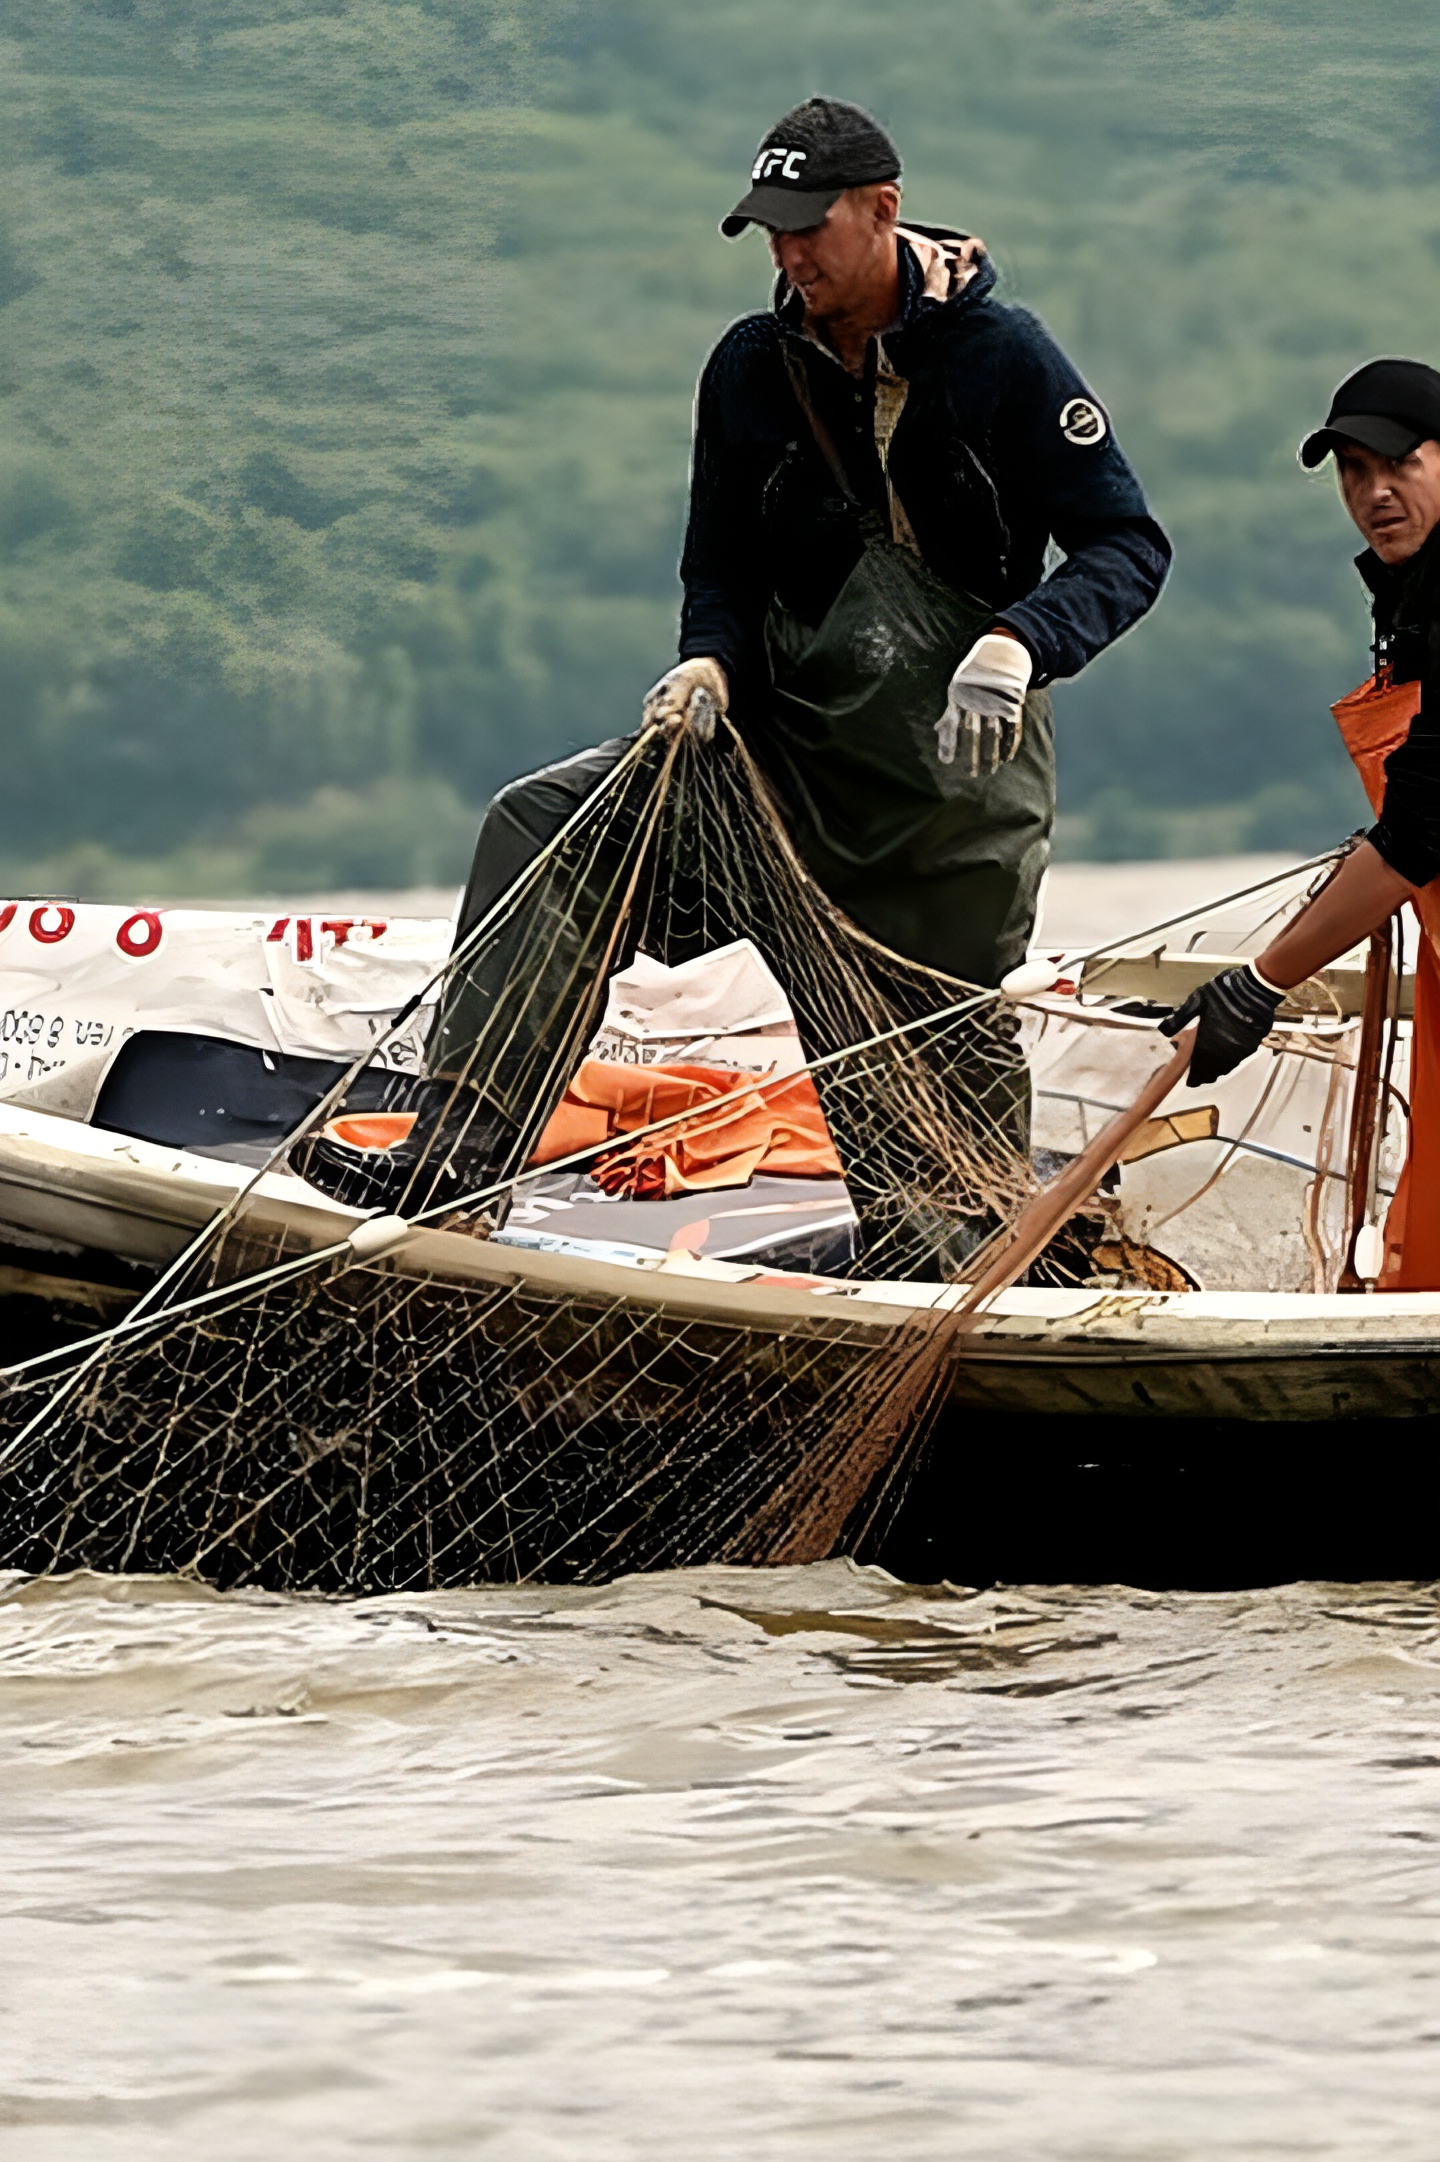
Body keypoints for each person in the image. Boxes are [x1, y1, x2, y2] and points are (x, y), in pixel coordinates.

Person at [446, 94, 1171, 1016]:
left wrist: (1020, 641)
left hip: (946, 807)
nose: (789, 254)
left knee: (918, 1133)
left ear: (882, 206)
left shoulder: (1004, 354)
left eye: (807, 226)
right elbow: (720, 571)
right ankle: (463, 1141)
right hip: (783, 775)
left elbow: (1128, 544)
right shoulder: (750, 367)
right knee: (548, 826)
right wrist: (708, 662)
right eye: (769, 233)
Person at [1161, 359, 1440, 1288]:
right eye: (1352, 471)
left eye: (1397, 463)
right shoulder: (1407, 599)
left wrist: (1258, 984)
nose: (1374, 492)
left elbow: (1416, 834)